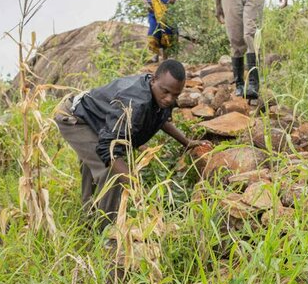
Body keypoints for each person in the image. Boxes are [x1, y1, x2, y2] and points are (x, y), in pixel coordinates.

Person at [54, 59, 205, 224]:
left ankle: (89, 216)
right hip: (76, 118)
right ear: (153, 79)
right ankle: (106, 235)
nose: (169, 99)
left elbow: (161, 118)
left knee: (95, 164)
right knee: (111, 172)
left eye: (175, 95)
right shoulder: (134, 102)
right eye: (166, 92)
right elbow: (108, 151)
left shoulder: (160, 92)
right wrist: (134, 185)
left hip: (97, 119)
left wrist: (186, 141)